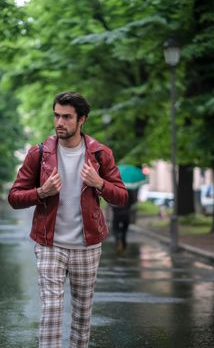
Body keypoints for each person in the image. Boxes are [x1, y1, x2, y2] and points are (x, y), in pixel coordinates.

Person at [8, 91, 128, 348]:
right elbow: (14, 197)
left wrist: (100, 184)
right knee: (51, 310)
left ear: (81, 119)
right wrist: (42, 192)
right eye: (56, 116)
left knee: (82, 315)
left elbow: (121, 197)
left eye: (66, 117)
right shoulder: (38, 154)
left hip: (88, 245)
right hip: (49, 244)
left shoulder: (100, 154)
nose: (59, 122)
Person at [111, 188, 138, 254]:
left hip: (116, 213)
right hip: (126, 213)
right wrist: (128, 205)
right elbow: (133, 200)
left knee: (115, 228)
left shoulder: (114, 188)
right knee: (124, 230)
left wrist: (113, 207)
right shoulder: (129, 189)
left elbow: (110, 199)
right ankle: (123, 241)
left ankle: (117, 239)